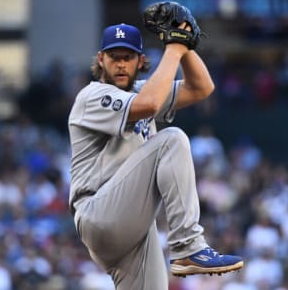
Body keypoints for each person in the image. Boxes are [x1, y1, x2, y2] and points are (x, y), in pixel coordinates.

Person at [68, 17, 244, 289]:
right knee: (171, 140)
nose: (121, 64)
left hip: (132, 226)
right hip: (98, 211)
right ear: (101, 60)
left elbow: (202, 88)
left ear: (140, 61)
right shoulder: (93, 96)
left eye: (128, 57)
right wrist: (173, 47)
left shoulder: (142, 90)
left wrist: (185, 46)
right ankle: (188, 246)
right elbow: (148, 105)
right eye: (114, 57)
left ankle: (187, 249)